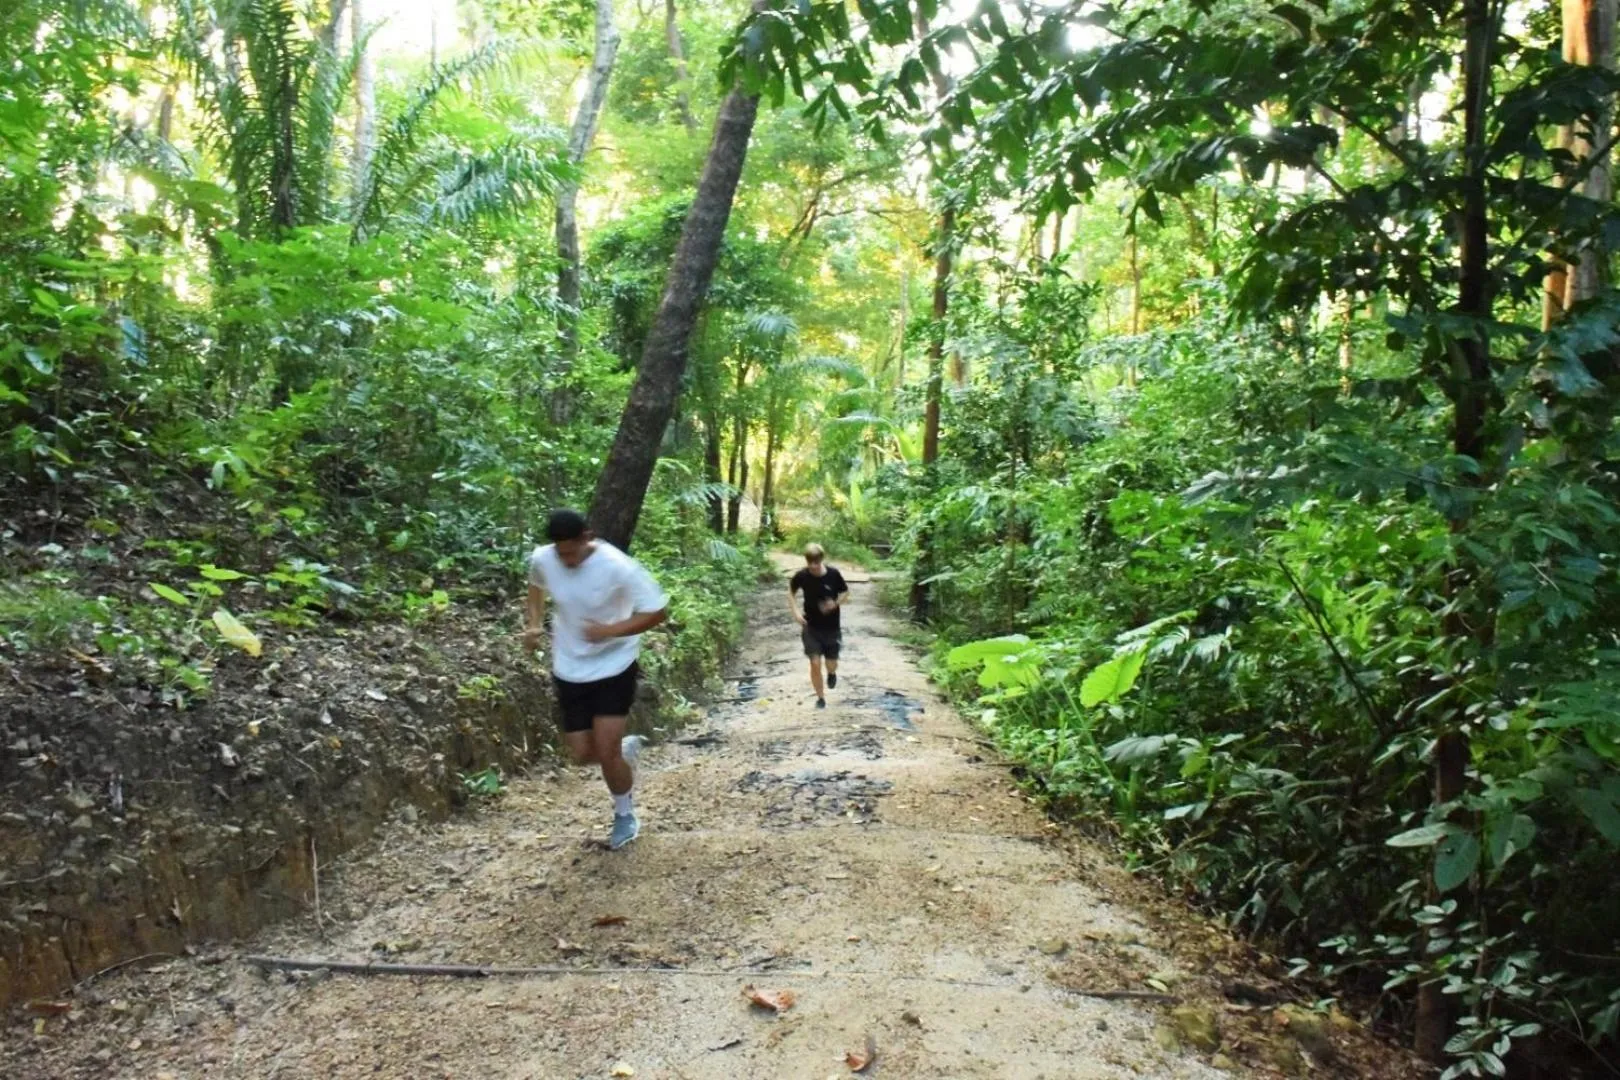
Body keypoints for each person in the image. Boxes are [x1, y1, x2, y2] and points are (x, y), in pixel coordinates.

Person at [523, 509, 669, 849]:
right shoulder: (543, 559)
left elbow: (657, 611)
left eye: (572, 552)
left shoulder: (618, 566)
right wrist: (534, 624)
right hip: (569, 667)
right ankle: (622, 752)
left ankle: (624, 814)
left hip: (614, 665)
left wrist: (610, 631)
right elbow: (535, 587)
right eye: (561, 553)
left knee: (606, 751)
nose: (567, 561)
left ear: (586, 538)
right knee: (581, 753)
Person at [789, 543, 849, 709]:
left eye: (816, 562)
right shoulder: (802, 576)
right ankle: (820, 698)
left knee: (831, 663)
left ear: (821, 560)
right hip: (811, 627)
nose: (813, 566)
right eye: (810, 562)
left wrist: (835, 603)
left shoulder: (833, 574)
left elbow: (845, 592)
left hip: (831, 628)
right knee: (815, 663)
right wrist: (796, 612)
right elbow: (791, 592)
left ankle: (831, 673)